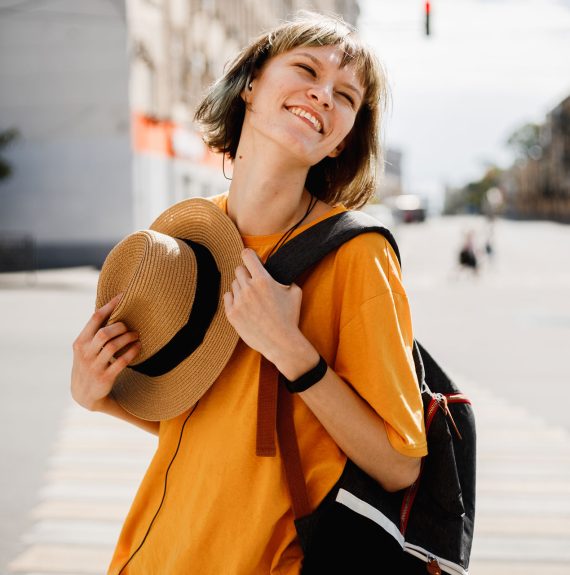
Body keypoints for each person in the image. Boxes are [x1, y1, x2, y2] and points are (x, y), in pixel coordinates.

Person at [71, 11, 427, 574]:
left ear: (340, 142)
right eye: (306, 68)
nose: (322, 93)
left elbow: (398, 465)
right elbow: (203, 422)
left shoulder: (357, 255)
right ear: (252, 85)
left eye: (346, 96)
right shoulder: (187, 235)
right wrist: (99, 393)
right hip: (152, 554)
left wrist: (290, 350)